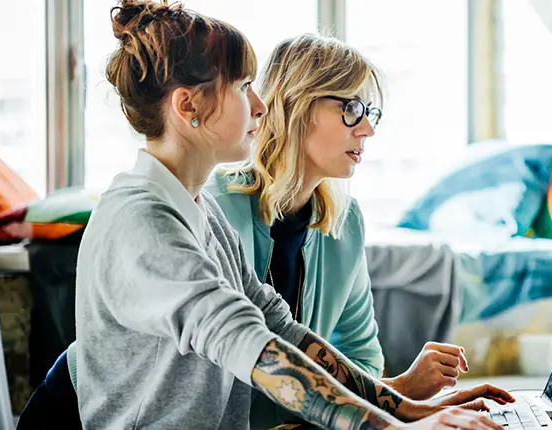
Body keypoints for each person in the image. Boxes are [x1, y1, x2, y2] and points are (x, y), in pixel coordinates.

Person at [18, 1, 513, 429]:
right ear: (188, 106)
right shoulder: (142, 222)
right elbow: (247, 342)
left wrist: (406, 409)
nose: (260, 105)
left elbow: (279, 327)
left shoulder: (197, 210)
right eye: (242, 87)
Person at [205, 33, 500, 428]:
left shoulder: (344, 222)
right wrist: (402, 406)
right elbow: (224, 385)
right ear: (298, 103)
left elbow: (361, 360)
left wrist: (404, 392)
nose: (367, 130)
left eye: (370, 113)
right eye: (352, 108)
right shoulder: (216, 208)